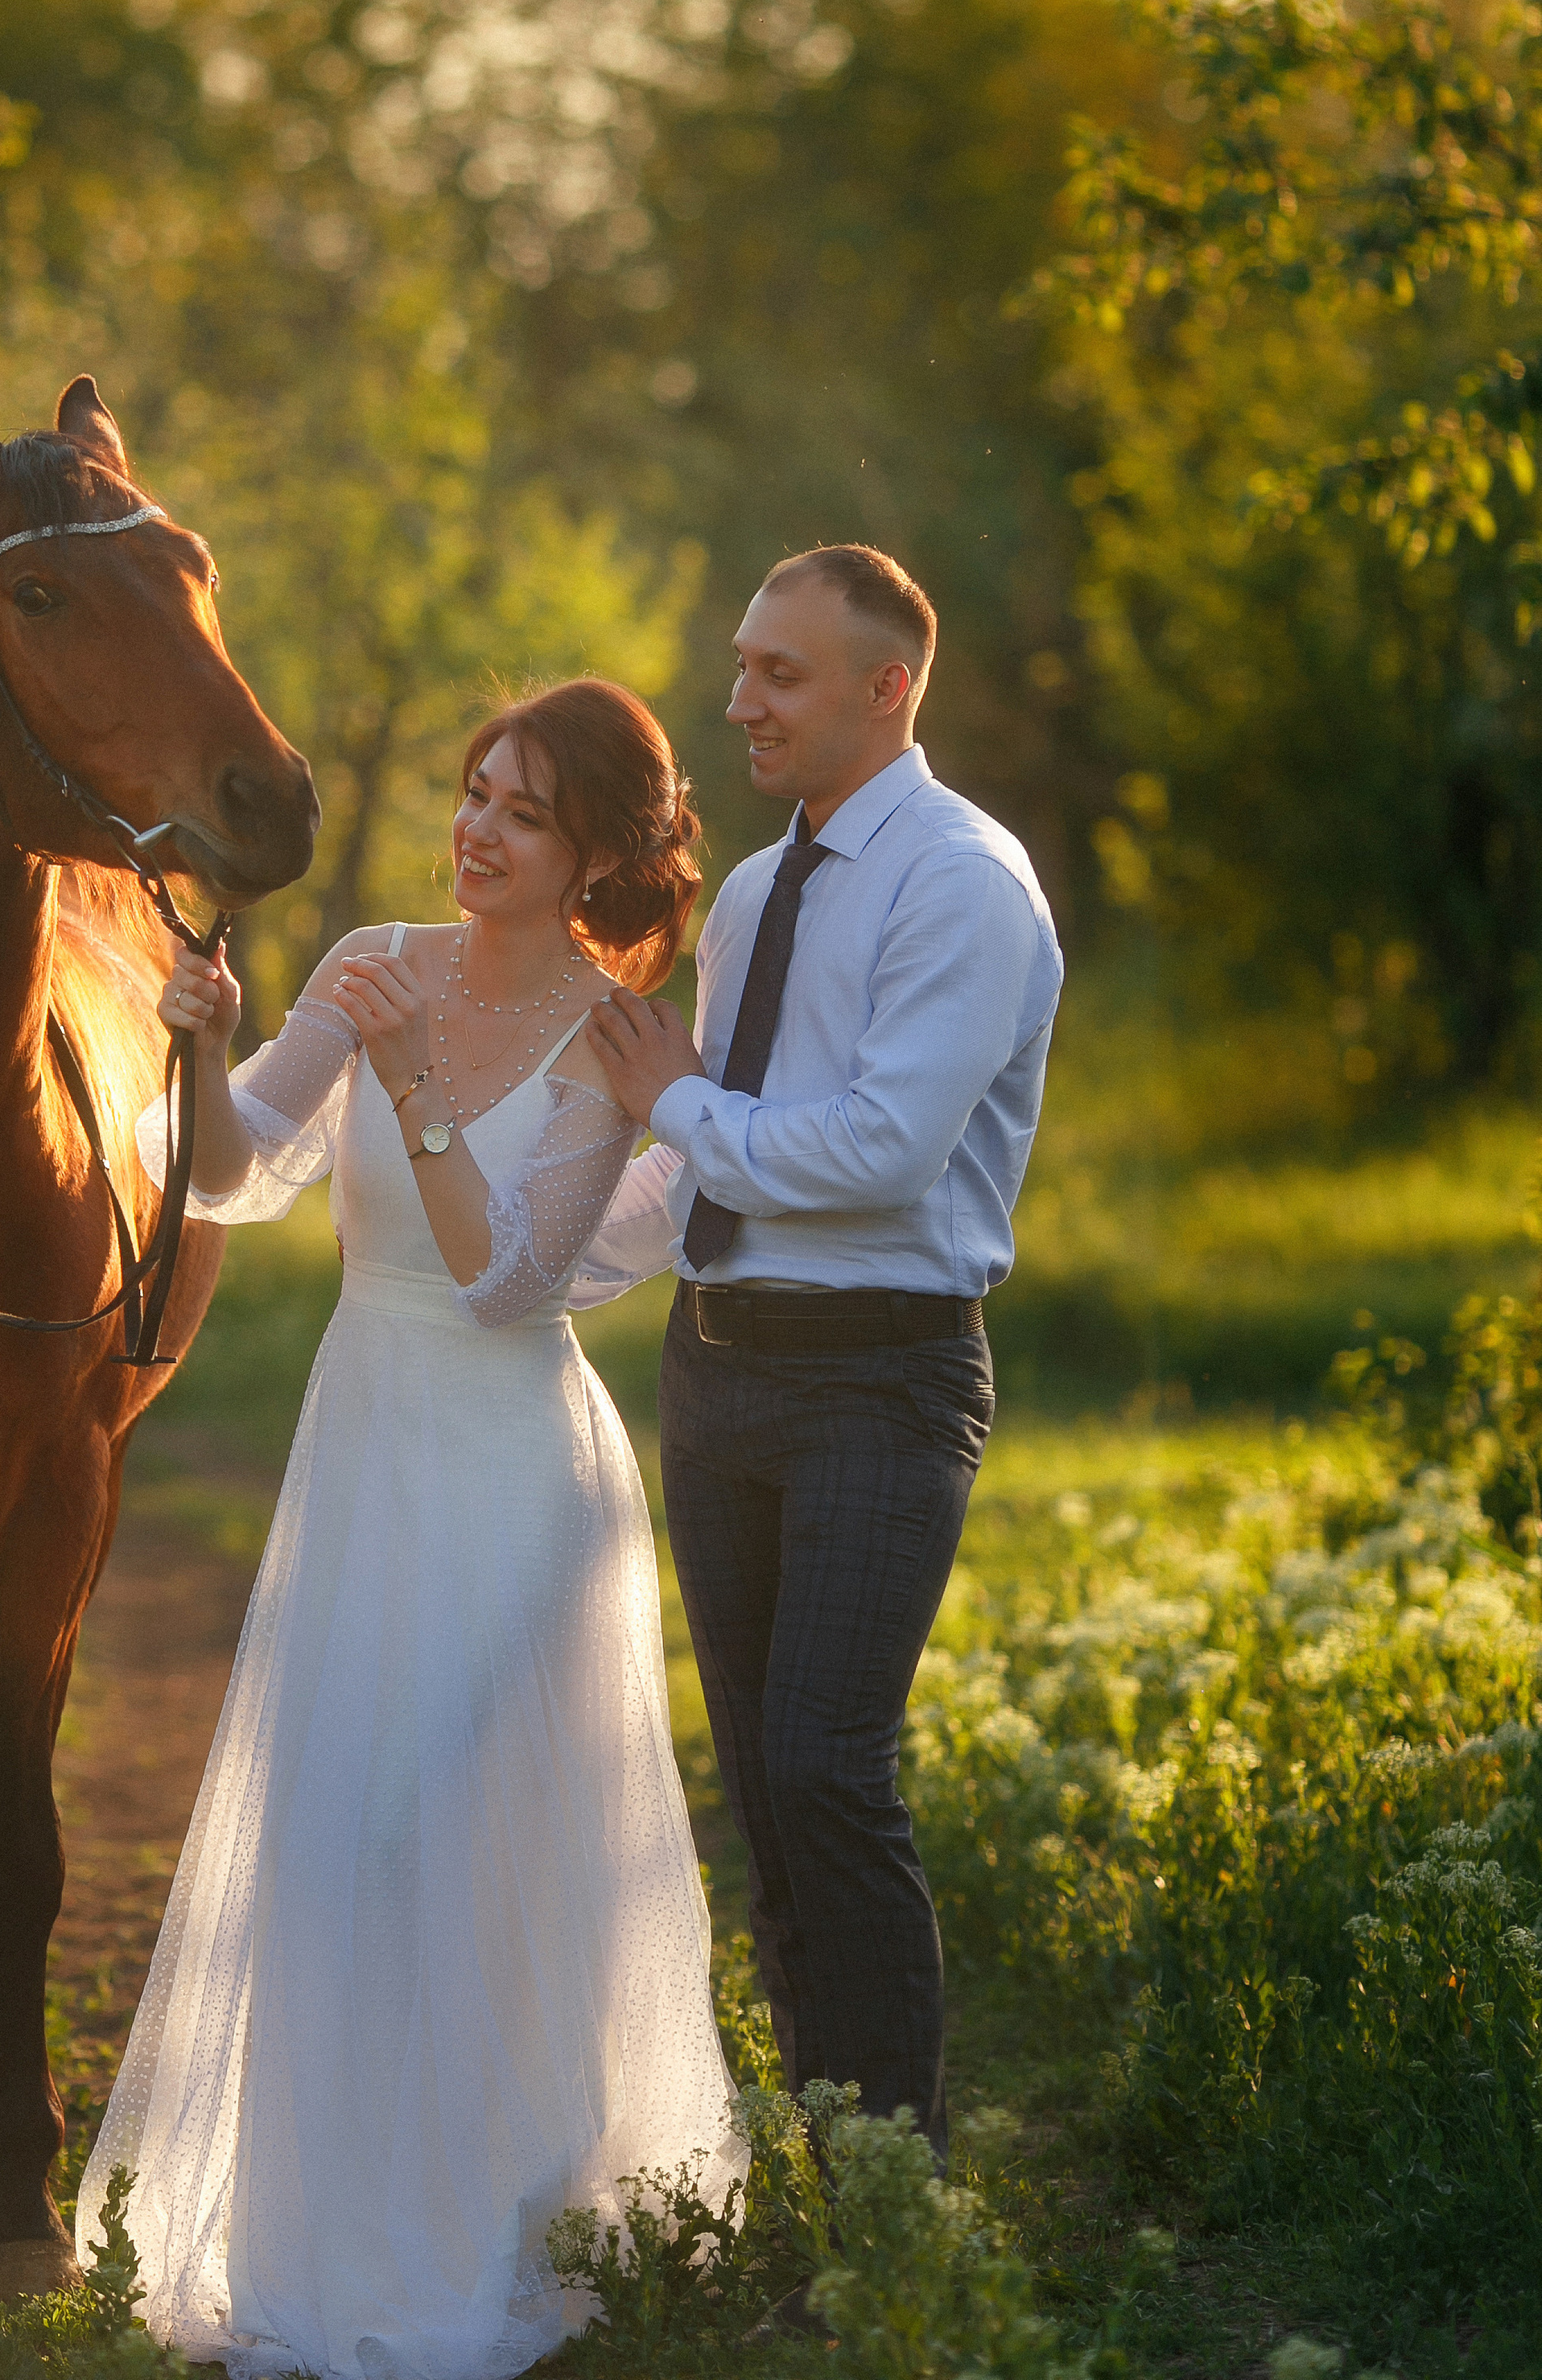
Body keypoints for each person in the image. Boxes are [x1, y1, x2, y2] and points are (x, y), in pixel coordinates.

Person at [77, 680, 744, 2380]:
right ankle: (333, 2222)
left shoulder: (611, 1041)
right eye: (469, 793)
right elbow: (226, 1170)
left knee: (474, 1846)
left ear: (591, 850)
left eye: (518, 811)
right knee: (339, 1831)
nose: (474, 830)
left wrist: (427, 1095)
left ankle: (507, 2215)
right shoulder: (373, 958)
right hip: (364, 1444)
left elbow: (512, 1283)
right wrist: (209, 1039)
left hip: (512, 1477)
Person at [586, 546, 1062, 2172]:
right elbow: (706, 1160)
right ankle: (830, 2191)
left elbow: (873, 1153)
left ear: (886, 687)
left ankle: (898, 2194)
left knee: (824, 1771)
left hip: (881, 1374)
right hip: (714, 1370)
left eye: (778, 674)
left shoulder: (961, 883)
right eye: (739, 667)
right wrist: (522, 1276)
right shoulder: (746, 894)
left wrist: (670, 1103)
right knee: (768, 1804)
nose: (738, 703)